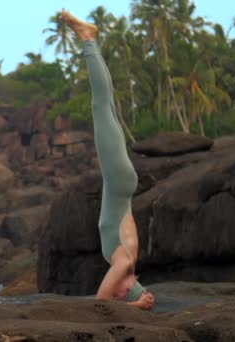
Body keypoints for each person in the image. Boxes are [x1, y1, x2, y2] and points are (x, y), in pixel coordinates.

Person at [61, 9, 155, 310]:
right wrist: (136, 306)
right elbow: (101, 305)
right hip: (118, 181)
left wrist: (136, 302)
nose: (118, 291)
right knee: (101, 106)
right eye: (124, 291)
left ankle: (90, 40)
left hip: (118, 182)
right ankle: (88, 38)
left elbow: (109, 298)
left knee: (106, 106)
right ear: (131, 285)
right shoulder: (123, 262)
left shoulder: (125, 261)